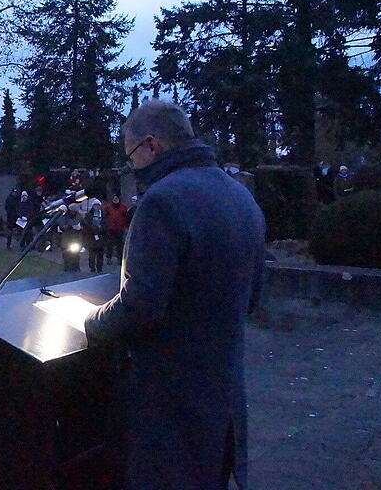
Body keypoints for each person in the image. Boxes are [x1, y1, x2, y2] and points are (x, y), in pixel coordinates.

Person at [84, 100, 265, 490]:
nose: (131, 166)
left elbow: (141, 306)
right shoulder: (241, 196)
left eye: (131, 154)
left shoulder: (163, 200)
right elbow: (252, 297)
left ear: (152, 146)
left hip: (169, 409)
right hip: (222, 402)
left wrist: (89, 321)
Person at [104, 194, 129, 265]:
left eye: (117, 198)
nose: (115, 199)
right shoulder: (108, 207)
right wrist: (106, 226)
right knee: (109, 244)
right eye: (114, 198)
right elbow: (105, 217)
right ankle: (109, 258)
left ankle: (120, 259)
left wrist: (125, 226)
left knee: (120, 245)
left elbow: (126, 218)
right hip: (110, 229)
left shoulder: (123, 207)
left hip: (120, 229)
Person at [82, 200, 107, 274]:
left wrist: (101, 229)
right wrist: (93, 229)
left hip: (101, 237)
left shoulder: (103, 215)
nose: (96, 207)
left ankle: (100, 268)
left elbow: (106, 224)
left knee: (100, 254)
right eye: (95, 205)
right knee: (92, 255)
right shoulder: (88, 215)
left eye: (98, 205)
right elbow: (86, 225)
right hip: (91, 237)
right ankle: (92, 268)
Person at [58, 205, 83, 272]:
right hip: (66, 240)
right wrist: (71, 225)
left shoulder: (79, 217)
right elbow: (62, 226)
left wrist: (79, 228)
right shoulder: (63, 217)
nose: (74, 212)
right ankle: (67, 270)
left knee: (76, 256)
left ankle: (76, 269)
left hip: (76, 239)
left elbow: (82, 225)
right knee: (67, 257)